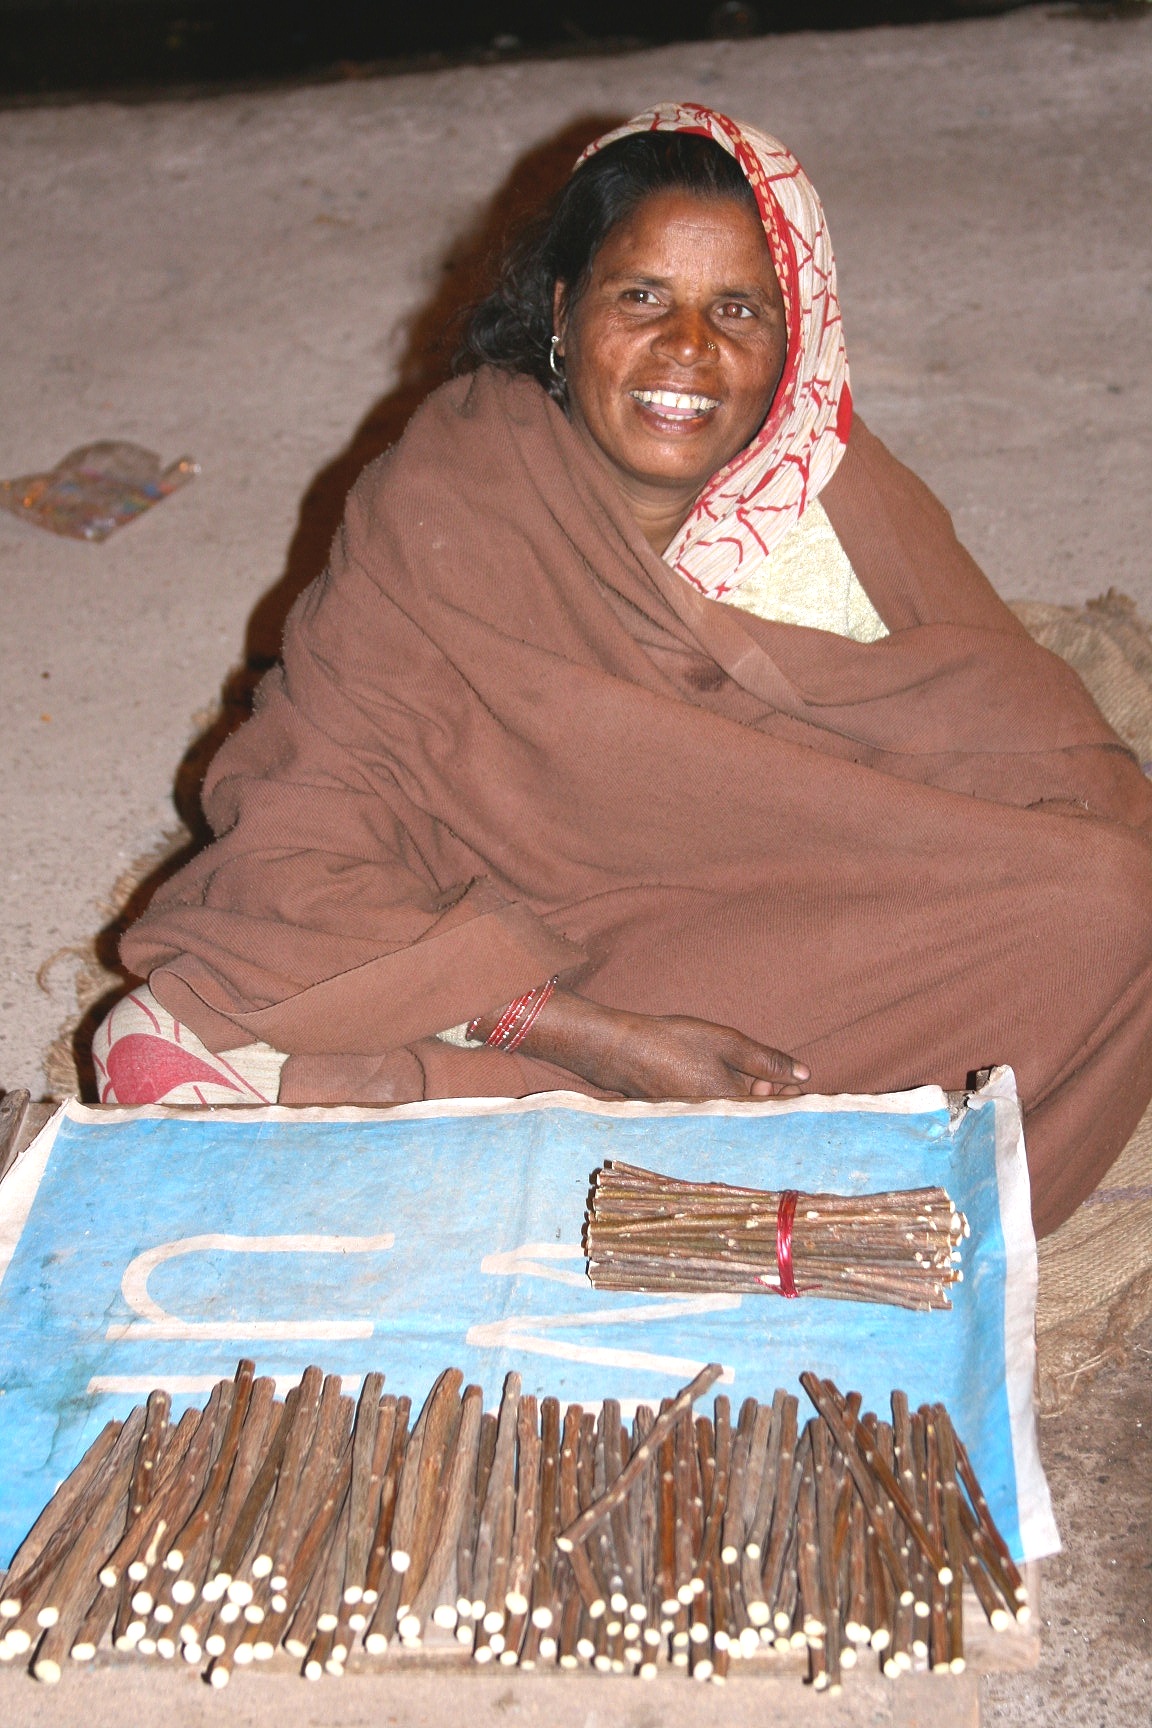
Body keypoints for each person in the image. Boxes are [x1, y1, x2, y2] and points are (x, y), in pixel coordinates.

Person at [103, 104, 1152, 1237]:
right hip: (504, 954)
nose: (687, 350)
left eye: (737, 310)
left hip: (771, 944)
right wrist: (594, 1032)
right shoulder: (452, 494)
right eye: (642, 296)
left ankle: (574, 1150)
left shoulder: (838, 511)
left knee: (1110, 903)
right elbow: (308, 816)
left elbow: (1029, 741)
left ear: (796, 343)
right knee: (197, 1011)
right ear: (563, 313)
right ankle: (628, 1134)